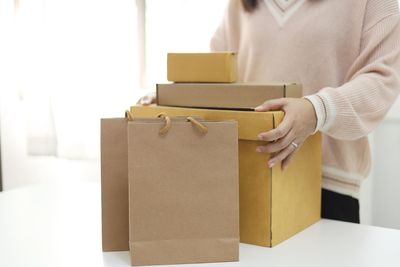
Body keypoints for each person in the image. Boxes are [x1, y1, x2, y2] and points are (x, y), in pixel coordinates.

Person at [138, 0, 400, 223]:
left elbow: (383, 78)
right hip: (246, 179)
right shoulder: (241, 4)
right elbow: (218, 74)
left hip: (327, 187)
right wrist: (172, 98)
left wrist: (316, 110)